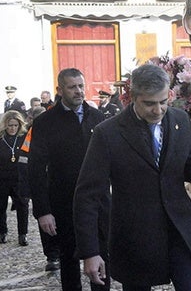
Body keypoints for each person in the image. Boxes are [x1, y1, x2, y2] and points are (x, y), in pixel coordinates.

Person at [73, 63, 191, 291]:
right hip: (135, 240)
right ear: (132, 98)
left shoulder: (180, 120)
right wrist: (90, 252)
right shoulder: (107, 133)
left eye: (163, 101)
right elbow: (87, 196)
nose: (158, 110)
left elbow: (182, 167)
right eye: (149, 103)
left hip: (180, 231)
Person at [28, 68, 108, 291]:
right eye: (72, 87)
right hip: (64, 203)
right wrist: (43, 211)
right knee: (69, 260)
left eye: (81, 86)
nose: (78, 91)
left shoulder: (98, 118)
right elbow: (35, 169)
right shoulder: (45, 122)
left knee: (102, 258)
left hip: (97, 203)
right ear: (59, 89)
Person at [20, 105, 61, 271]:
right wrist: (25, 187)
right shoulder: (32, 133)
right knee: (46, 220)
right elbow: (25, 160)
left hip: (59, 180)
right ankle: (52, 255)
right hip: (42, 182)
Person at [0, 110, 29, 246]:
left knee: (22, 206)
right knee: (1, 207)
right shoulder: (1, 139)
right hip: (2, 178)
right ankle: (2, 231)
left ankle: (22, 234)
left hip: (19, 178)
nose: (12, 128)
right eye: (10, 125)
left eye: (15, 125)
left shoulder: (23, 138)